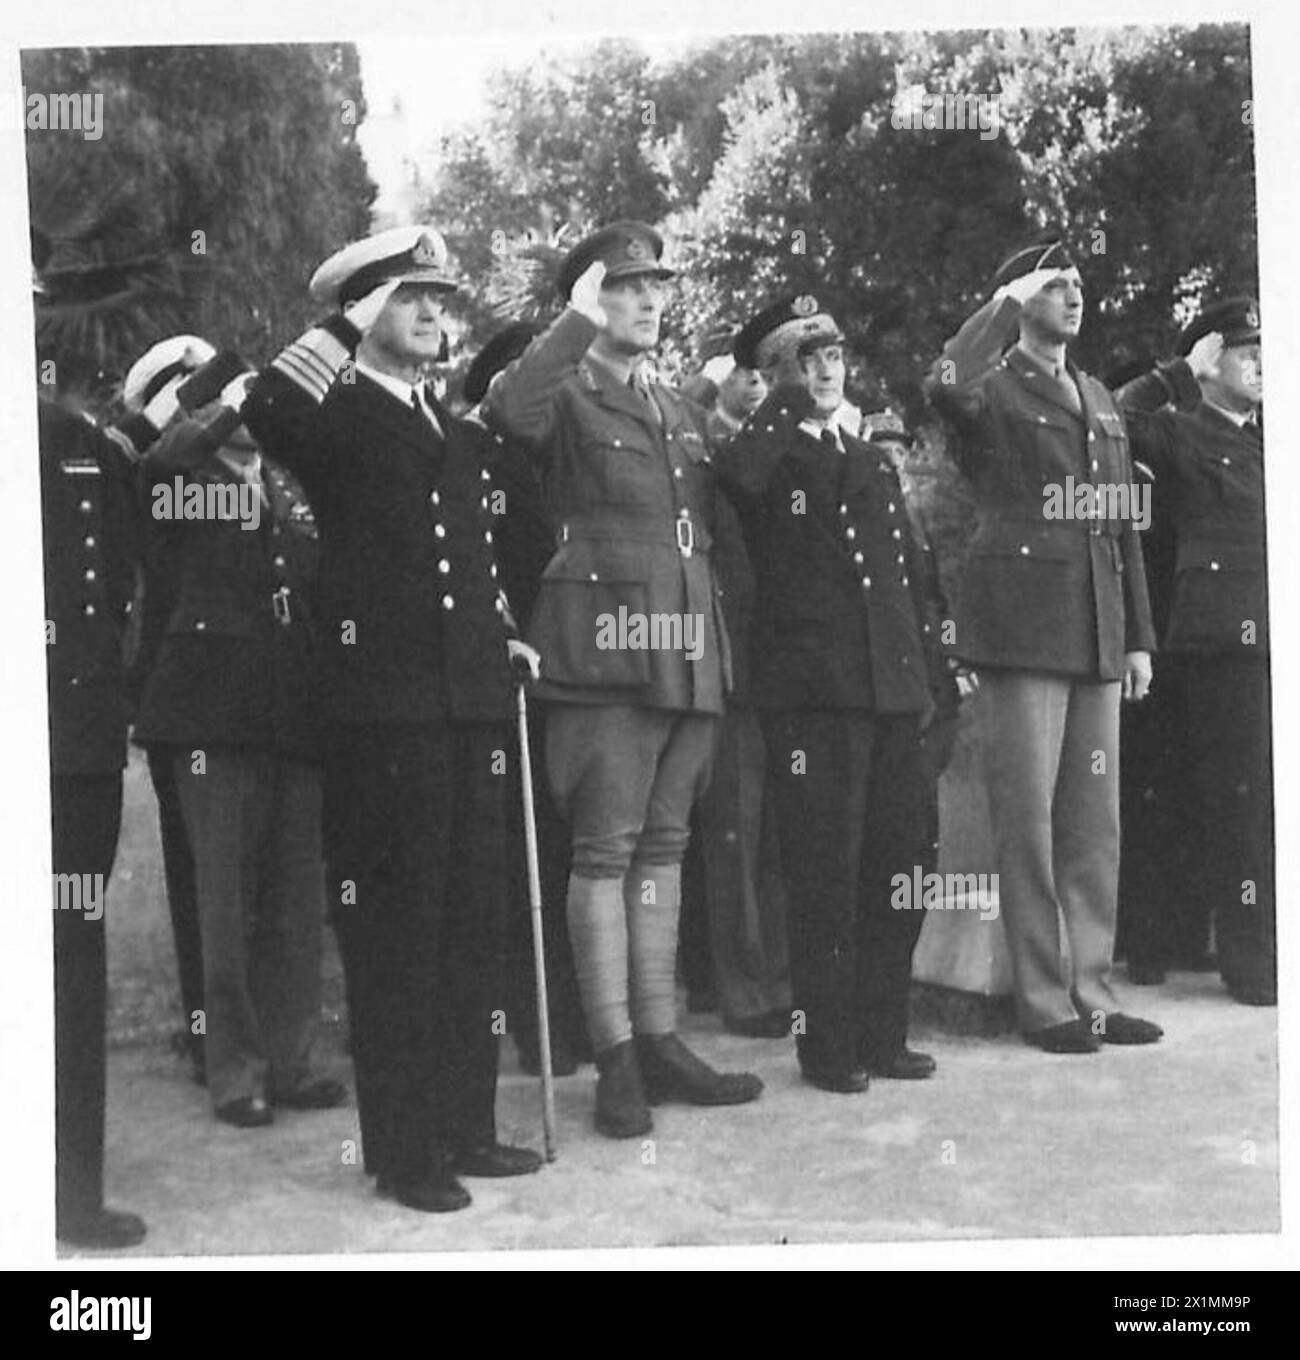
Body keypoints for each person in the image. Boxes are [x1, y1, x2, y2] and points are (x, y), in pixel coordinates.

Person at [241, 225, 541, 1212]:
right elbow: (265, 405)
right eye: (407, 298)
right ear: (364, 311)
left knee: (471, 925)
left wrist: (504, 634)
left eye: (437, 300)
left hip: (466, 702)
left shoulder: (454, 429)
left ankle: (466, 1125)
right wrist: (335, 327)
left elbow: (482, 555)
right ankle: (404, 1148)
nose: (431, 314)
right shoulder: (338, 419)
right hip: (384, 712)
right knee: (399, 931)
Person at [483, 220, 763, 1139]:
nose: (648, 299)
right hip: (603, 651)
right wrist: (566, 326)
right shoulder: (562, 390)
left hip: (685, 653)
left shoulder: (676, 407)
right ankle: (611, 1058)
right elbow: (504, 413)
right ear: (587, 298)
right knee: (604, 854)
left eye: (656, 285)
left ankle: (659, 1040)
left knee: (664, 852)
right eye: (626, 284)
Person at [924, 237, 1163, 1053]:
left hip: (1096, 622)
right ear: (1020, 301)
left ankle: (1092, 988)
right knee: (1026, 822)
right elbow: (942, 380)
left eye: (1078, 283)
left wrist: (1137, 637)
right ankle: (1041, 999)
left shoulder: (1097, 395)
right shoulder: (992, 390)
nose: (1073, 296)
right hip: (1024, 625)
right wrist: (996, 304)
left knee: (1094, 823)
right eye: (1054, 284)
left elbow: (1122, 520)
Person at [714, 296, 957, 1091]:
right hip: (814, 696)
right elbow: (739, 479)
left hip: (890, 694)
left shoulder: (869, 455)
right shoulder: (766, 452)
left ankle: (883, 1032)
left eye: (834, 358)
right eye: (806, 359)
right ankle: (827, 1046)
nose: (826, 371)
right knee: (824, 875)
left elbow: (906, 582)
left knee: (901, 863)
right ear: (776, 373)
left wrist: (930, 678)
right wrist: (785, 397)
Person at [134, 357, 346, 1127]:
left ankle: (289, 1061)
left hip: (292, 708)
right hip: (210, 716)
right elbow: (161, 459)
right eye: (244, 398)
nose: (261, 409)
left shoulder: (285, 483)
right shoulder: (183, 482)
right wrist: (226, 406)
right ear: (206, 411)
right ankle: (234, 1072)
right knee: (224, 902)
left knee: (294, 901)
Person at [39, 317, 176, 1245]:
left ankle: (69, 1191)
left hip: (73, 744)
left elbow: (130, 571)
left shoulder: (78, 441)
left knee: (69, 962)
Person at [1114, 298, 1273, 1005]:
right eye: (1242, 351)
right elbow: (1112, 420)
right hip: (1220, 640)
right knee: (1239, 805)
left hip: (1272, 633)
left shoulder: (1273, 438)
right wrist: (1181, 372)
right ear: (1212, 363)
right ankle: (1254, 962)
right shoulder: (1179, 432)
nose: (1260, 363)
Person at [461, 322, 590, 1076]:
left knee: (567, 848)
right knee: (521, 854)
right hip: (511, 672)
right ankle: (535, 1024)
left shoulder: (555, 454)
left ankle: (569, 1018)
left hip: (572, 668)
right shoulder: (477, 452)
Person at [682, 351, 793, 1039]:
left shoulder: (783, 443)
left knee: (777, 840)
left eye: (764, 374)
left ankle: (779, 979)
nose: (756, 385)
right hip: (731, 664)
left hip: (789, 665)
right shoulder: (700, 436)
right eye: (744, 371)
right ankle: (744, 989)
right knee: (733, 837)